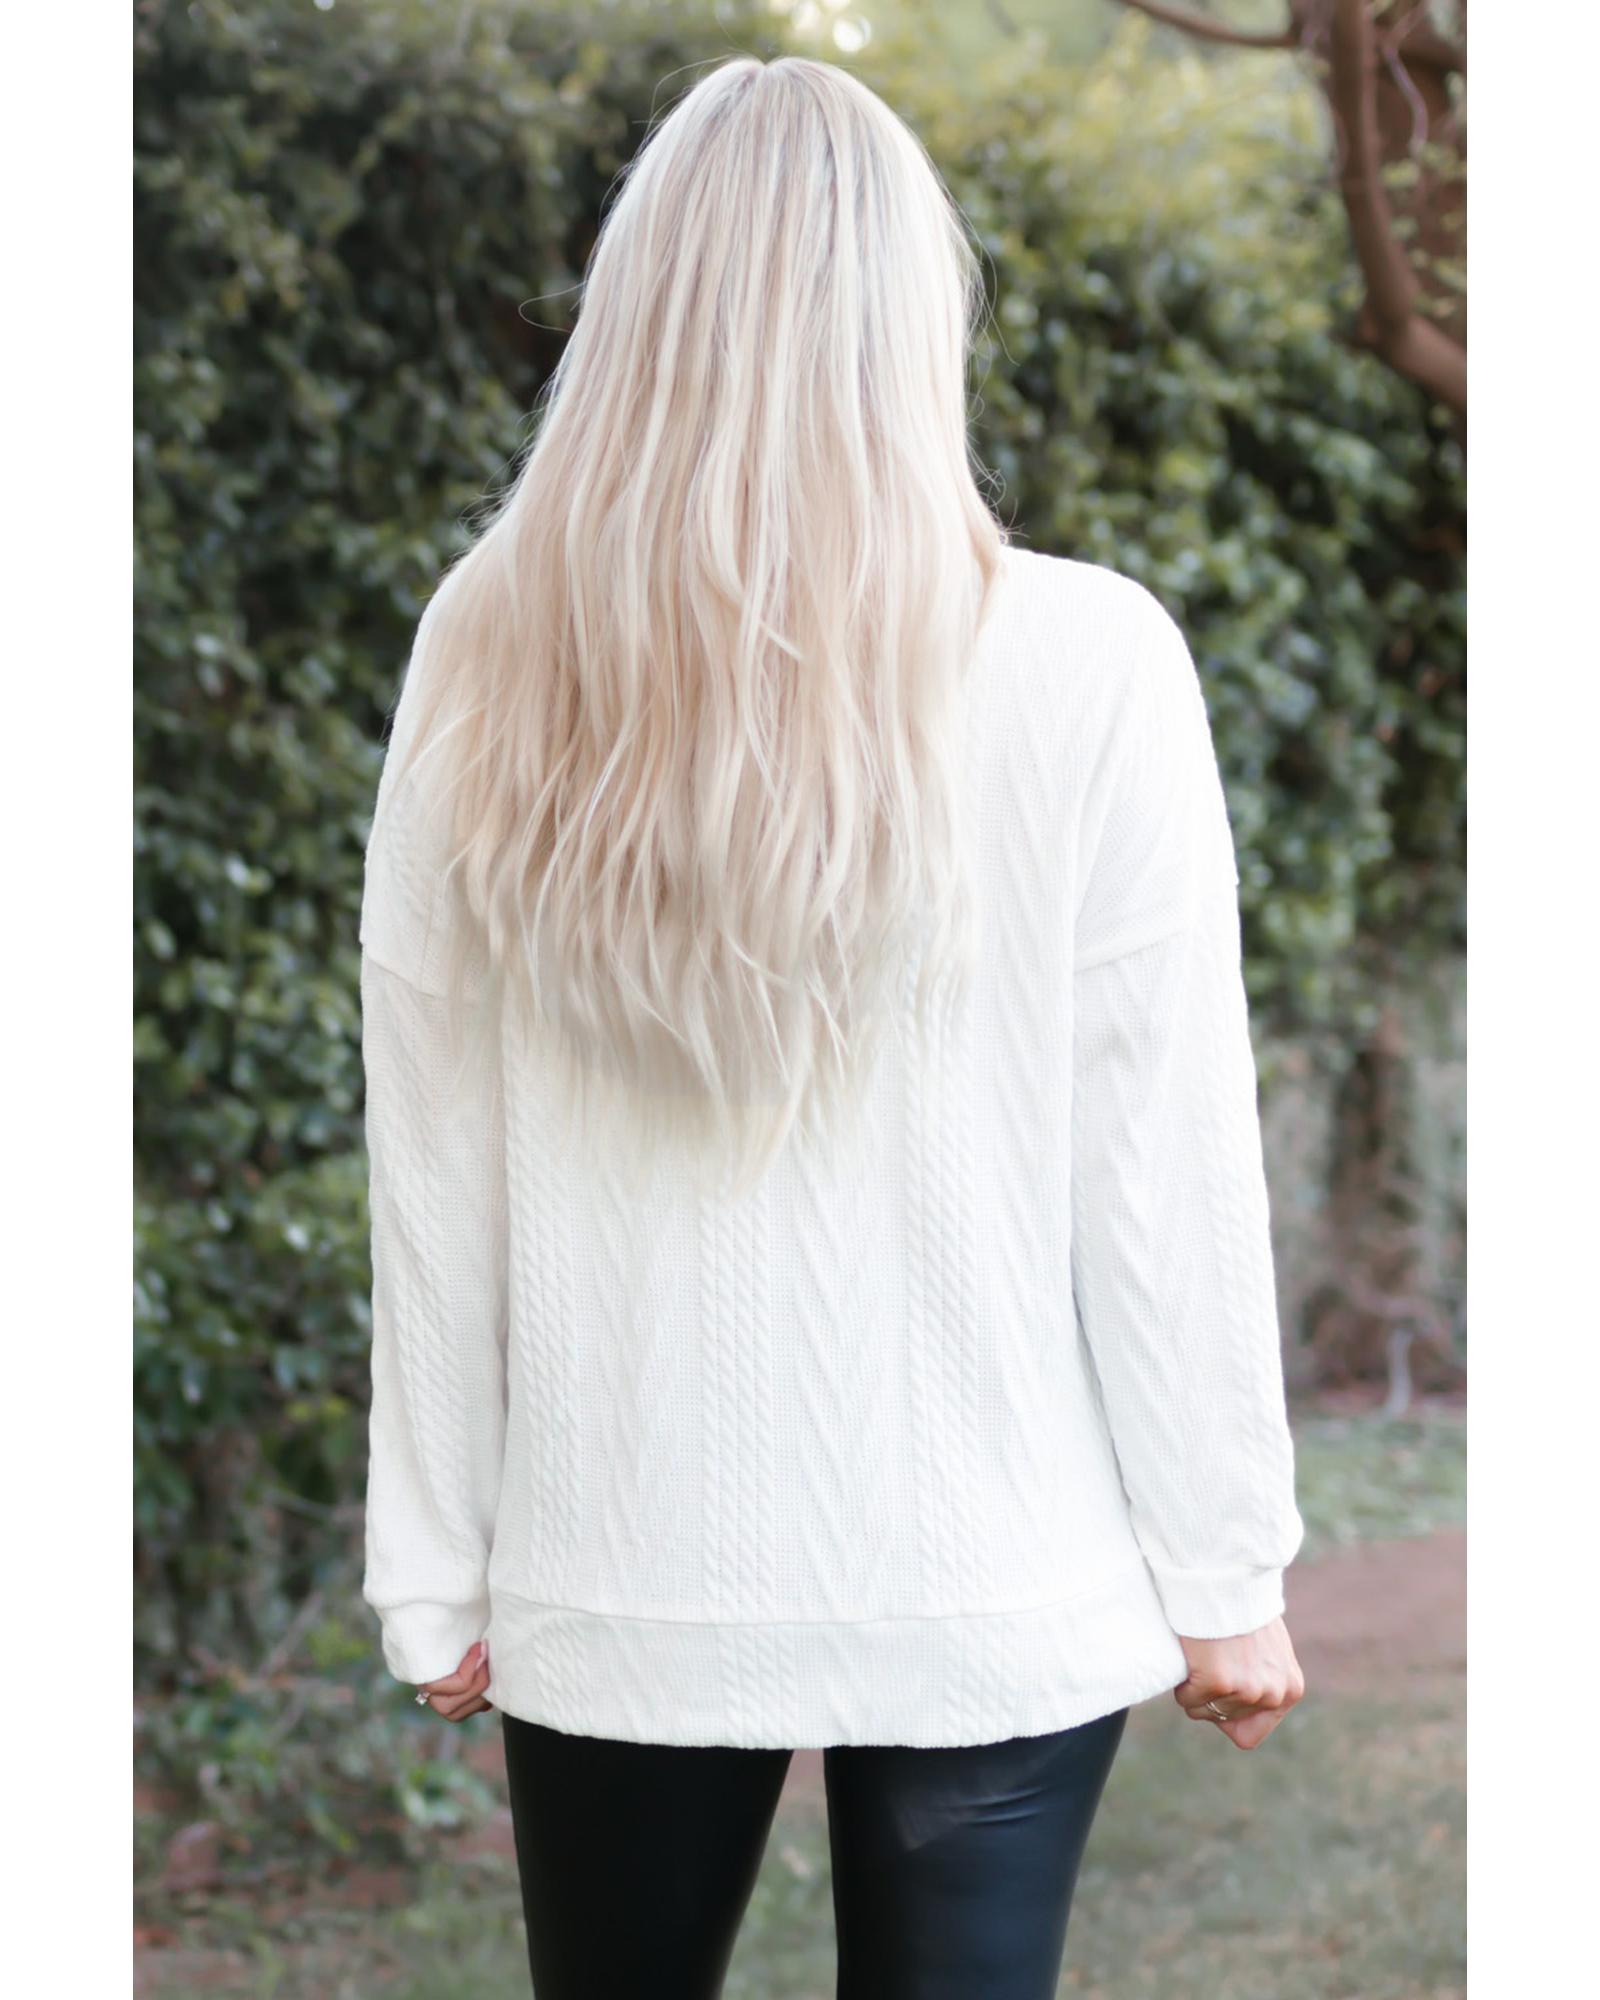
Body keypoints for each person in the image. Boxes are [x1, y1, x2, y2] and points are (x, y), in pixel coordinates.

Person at [357, 52, 1306, 2000]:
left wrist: (437, 1559)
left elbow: (433, 1147)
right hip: (991, 1570)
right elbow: (1160, 1158)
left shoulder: (489, 644)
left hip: (621, 1559)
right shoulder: (1093, 659)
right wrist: (1224, 1575)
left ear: (633, 317)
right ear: (910, 318)